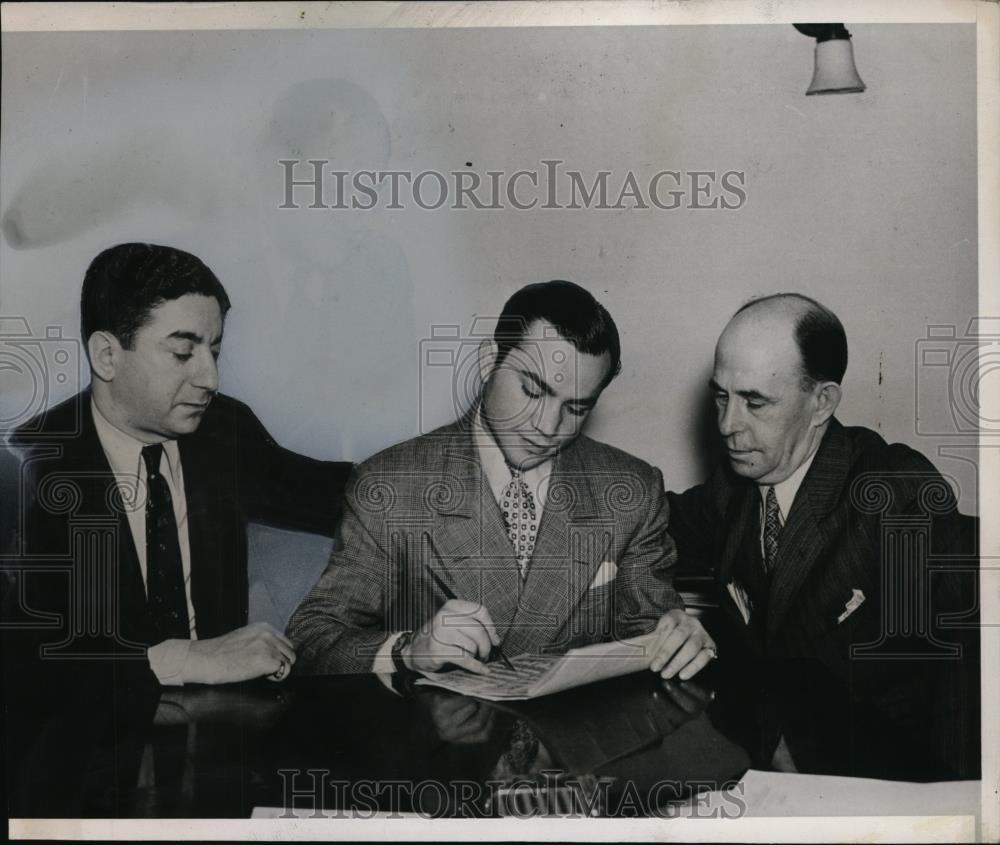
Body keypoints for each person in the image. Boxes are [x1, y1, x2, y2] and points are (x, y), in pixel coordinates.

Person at [288, 280, 715, 679]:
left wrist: (678, 643)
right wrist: (408, 651)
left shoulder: (632, 491)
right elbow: (312, 638)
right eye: (533, 390)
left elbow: (653, 637)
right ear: (488, 362)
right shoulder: (390, 486)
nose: (548, 426)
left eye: (576, 408)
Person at [4, 242, 352, 697]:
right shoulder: (27, 467)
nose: (210, 379)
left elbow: (341, 493)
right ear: (107, 355)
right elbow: (24, 659)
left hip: (224, 722)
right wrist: (186, 659)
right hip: (92, 727)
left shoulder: (224, 430)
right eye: (183, 353)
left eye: (215, 352)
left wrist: (444, 460)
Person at [667, 293, 979, 779]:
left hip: (881, 783)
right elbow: (648, 524)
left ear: (821, 402)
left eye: (755, 402)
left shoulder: (897, 493)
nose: (728, 425)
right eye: (721, 396)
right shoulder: (733, 489)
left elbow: (968, 680)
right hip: (774, 771)